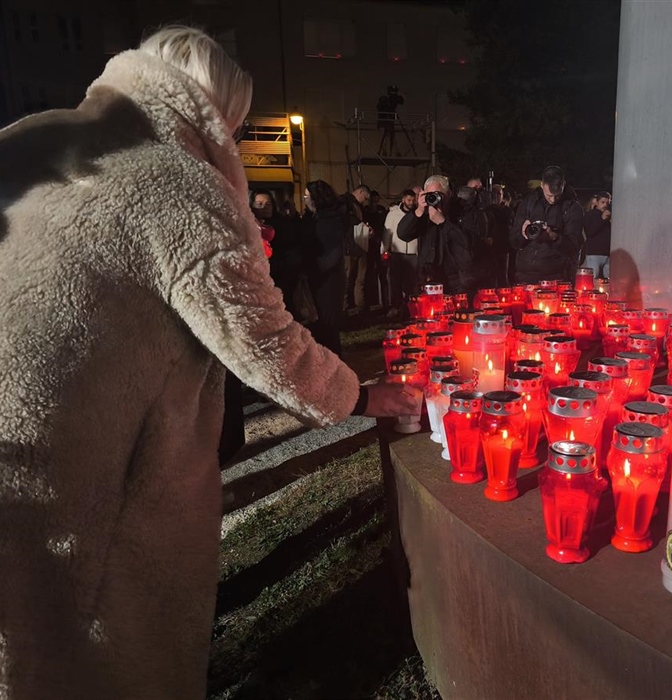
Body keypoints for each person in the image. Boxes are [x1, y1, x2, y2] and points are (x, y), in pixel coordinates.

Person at [0, 26, 416, 699]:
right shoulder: (174, 183)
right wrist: (367, 398)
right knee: (93, 651)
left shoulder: (33, 137)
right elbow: (264, 343)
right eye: (239, 127)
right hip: (78, 475)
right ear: (217, 115)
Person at [397, 174, 477, 297]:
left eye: (439, 194)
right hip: (430, 279)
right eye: (430, 195)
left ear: (449, 194)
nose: (435, 198)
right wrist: (418, 211)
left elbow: (468, 242)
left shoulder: (463, 212)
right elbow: (403, 234)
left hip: (458, 280)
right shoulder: (423, 215)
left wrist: (443, 222)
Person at [510, 165, 584, 284]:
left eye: (557, 195)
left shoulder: (572, 208)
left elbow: (573, 247)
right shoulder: (528, 203)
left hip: (555, 277)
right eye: (549, 195)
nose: (553, 200)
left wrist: (554, 237)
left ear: (563, 185)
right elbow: (513, 241)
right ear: (541, 184)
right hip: (524, 275)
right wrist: (523, 233)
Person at [301, 180, 348, 357]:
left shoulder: (331, 220)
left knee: (328, 327)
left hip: (329, 281)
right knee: (319, 327)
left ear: (317, 198)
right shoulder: (314, 218)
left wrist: (311, 269)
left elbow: (333, 255)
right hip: (317, 278)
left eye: (307, 196)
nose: (304, 200)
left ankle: (337, 369)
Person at [382, 188, 418, 318]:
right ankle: (395, 306)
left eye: (413, 200)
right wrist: (385, 250)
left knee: (411, 283)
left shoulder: (416, 213)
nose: (411, 202)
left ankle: (409, 307)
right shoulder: (393, 214)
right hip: (397, 253)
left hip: (413, 253)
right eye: (408, 200)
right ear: (403, 199)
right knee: (395, 281)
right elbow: (387, 233)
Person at [341, 184, 372, 314]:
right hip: (349, 246)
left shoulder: (358, 206)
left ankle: (361, 306)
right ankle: (344, 308)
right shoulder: (344, 202)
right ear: (360, 192)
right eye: (364, 198)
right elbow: (347, 221)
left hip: (360, 245)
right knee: (347, 279)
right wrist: (360, 225)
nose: (364, 201)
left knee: (360, 279)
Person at [583, 191, 612, 280]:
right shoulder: (590, 215)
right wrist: (602, 219)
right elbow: (590, 232)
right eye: (602, 202)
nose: (605, 205)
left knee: (607, 280)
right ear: (597, 202)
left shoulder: (608, 217)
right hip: (594, 254)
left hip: (607, 254)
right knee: (592, 280)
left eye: (607, 203)